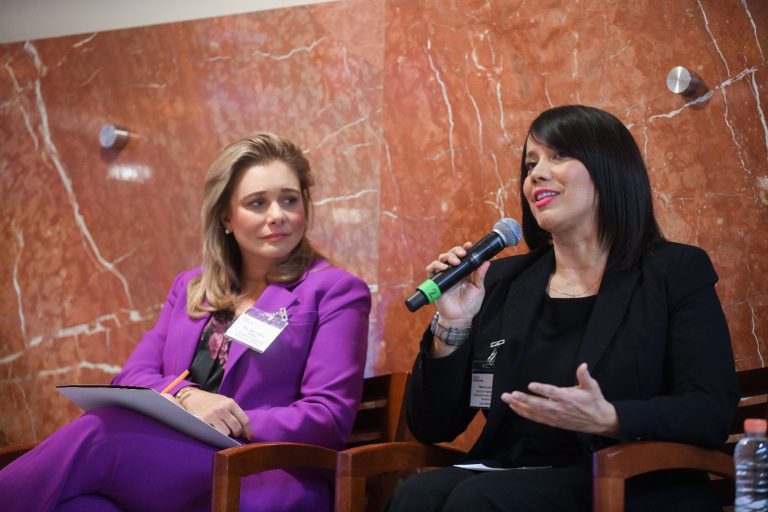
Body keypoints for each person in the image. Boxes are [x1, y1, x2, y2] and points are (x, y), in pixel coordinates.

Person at [386, 105, 738, 512]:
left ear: (610, 169)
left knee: (479, 499)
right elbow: (433, 426)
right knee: (415, 496)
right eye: (530, 163)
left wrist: (610, 417)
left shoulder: (673, 271)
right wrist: (453, 325)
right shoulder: (501, 280)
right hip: (511, 472)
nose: (536, 174)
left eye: (559, 155)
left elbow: (710, 410)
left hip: (629, 481)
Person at [0, 132, 371, 511]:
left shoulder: (334, 290)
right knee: (80, 506)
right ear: (226, 216)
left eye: (289, 200)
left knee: (101, 432)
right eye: (258, 202)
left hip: (261, 471)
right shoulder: (191, 288)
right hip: (173, 465)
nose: (277, 214)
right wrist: (189, 399)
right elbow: (132, 375)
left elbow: (328, 417)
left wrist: (227, 420)